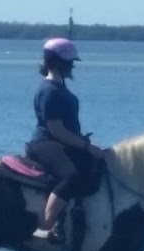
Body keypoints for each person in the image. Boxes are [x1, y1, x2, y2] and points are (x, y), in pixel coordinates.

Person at [26, 37, 107, 240]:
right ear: (60, 63)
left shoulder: (59, 88)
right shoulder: (49, 91)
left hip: (61, 141)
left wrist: (86, 144)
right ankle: (46, 226)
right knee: (72, 175)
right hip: (45, 143)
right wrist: (85, 146)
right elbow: (56, 129)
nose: (72, 67)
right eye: (70, 63)